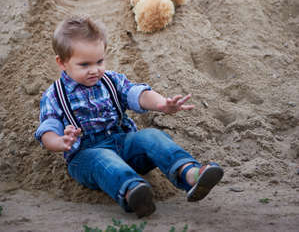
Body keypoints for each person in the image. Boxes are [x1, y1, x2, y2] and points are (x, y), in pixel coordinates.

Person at [35, 16, 223, 217]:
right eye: (84, 65)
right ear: (62, 63)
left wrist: (161, 103)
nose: (95, 70)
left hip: (124, 144)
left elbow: (137, 94)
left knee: (151, 135)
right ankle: (133, 192)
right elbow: (48, 127)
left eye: (100, 61)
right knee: (102, 157)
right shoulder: (55, 95)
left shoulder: (111, 80)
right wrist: (60, 141)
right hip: (87, 156)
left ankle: (190, 174)